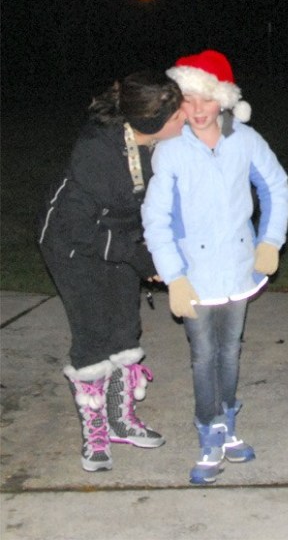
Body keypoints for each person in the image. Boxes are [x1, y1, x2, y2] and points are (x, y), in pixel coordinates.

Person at [141, 49, 288, 485]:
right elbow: (157, 219)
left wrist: (270, 241)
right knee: (203, 353)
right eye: (187, 100)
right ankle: (207, 430)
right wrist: (174, 276)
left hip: (239, 267)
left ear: (223, 100)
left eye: (206, 99)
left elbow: (277, 188)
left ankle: (228, 424)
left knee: (231, 348)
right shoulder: (169, 151)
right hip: (195, 276)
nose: (198, 110)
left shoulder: (246, 140)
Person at [38, 69, 185, 473]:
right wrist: (139, 258)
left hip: (119, 238)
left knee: (124, 329)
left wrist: (155, 252)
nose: (184, 120)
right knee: (93, 335)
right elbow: (79, 229)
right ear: (151, 121)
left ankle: (121, 421)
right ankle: (95, 430)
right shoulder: (96, 151)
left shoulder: (157, 144)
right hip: (73, 245)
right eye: (176, 116)